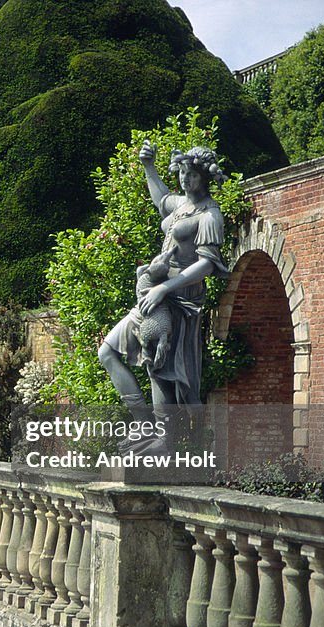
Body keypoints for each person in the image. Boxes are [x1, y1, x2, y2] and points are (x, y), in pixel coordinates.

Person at [97, 141, 229, 454]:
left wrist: (165, 288)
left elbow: (208, 264)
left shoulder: (210, 215)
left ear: (205, 177)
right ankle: (145, 427)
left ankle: (164, 441)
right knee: (108, 353)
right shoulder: (181, 205)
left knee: (159, 369)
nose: (185, 179)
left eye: (192, 175)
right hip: (153, 294)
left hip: (177, 302)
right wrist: (149, 166)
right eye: (182, 172)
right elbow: (161, 200)